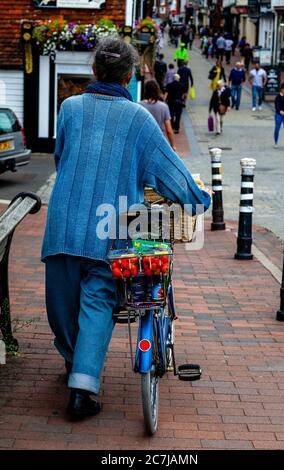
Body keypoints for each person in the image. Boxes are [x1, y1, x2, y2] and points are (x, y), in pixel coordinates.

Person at [42, 37, 211, 419]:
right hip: (110, 231)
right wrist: (200, 200)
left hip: (64, 224)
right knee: (97, 302)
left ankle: (75, 365)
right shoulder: (138, 119)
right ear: (130, 75)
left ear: (94, 71)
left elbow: (60, 158)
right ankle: (81, 390)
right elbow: (173, 174)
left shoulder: (69, 108)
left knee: (61, 303)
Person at [140, 79, 176, 151]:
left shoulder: (139, 105)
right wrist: (173, 145)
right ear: (157, 90)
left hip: (143, 142)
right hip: (159, 142)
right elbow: (169, 130)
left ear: (145, 90)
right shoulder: (164, 106)